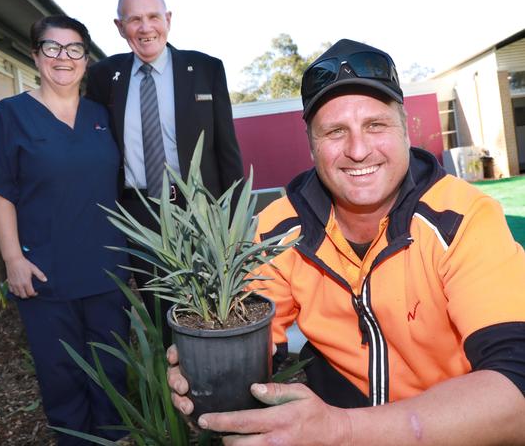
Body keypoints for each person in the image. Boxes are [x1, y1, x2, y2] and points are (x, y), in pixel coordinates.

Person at [167, 39, 525, 444]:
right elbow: (256, 348)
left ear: (406, 131)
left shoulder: (463, 218)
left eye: (375, 125)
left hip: (455, 428)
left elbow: (516, 389)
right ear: (312, 146)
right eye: (335, 131)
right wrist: (211, 375)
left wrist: (341, 431)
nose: (357, 150)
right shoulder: (276, 230)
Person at [0, 15, 130, 444]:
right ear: (35, 55)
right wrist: (13, 260)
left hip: (108, 271)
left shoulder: (103, 115)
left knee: (112, 372)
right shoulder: (11, 114)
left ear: (85, 58)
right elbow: (0, 192)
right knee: (62, 377)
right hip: (45, 273)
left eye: (74, 48)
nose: (64, 57)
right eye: (52, 48)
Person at [85, 0, 243, 345]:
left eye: (153, 16)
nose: (145, 28)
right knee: (161, 315)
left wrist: (234, 222)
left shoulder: (206, 69)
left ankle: (216, 385)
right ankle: (174, 390)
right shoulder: (103, 78)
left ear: (168, 19)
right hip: (139, 213)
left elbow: (227, 152)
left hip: (202, 211)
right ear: (119, 26)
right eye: (134, 19)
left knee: (212, 310)